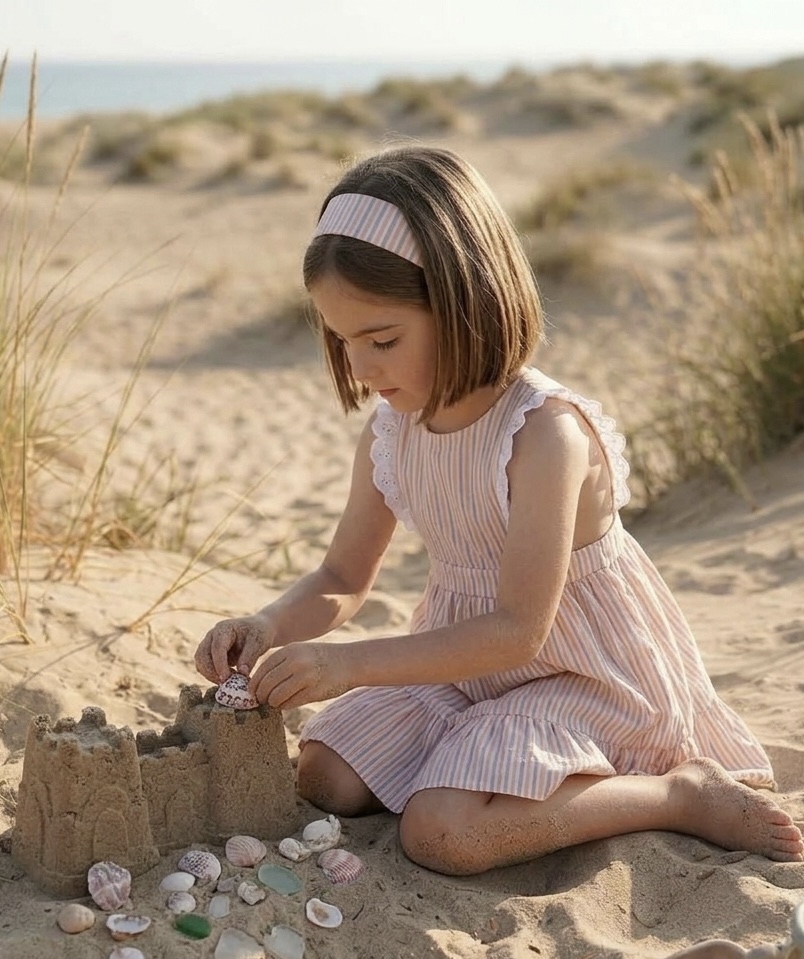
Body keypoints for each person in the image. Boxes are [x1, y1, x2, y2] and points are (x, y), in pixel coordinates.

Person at [194, 145, 803, 875]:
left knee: (442, 832)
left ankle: (673, 793)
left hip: (577, 673)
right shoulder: (392, 431)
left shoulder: (544, 435)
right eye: (342, 341)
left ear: (464, 301)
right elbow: (340, 573)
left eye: (382, 339)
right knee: (323, 770)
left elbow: (519, 629)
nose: (360, 368)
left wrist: (347, 665)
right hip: (464, 667)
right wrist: (267, 626)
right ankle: (485, 755)